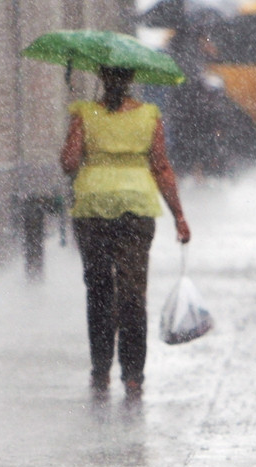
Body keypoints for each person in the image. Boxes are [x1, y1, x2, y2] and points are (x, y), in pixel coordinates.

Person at [60, 66, 192, 401]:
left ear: (103, 80)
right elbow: (161, 166)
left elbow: (69, 162)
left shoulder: (85, 113)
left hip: (92, 210)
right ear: (131, 80)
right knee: (133, 293)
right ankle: (133, 375)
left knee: (99, 290)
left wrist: (84, 124)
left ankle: (101, 370)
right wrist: (178, 215)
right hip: (136, 210)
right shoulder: (149, 115)